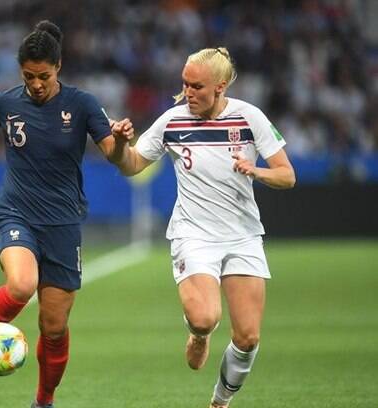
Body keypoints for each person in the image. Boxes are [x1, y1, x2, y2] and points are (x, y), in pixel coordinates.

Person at [0, 20, 132, 408]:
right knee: (22, 285)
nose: (36, 84)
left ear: (58, 68)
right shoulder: (4, 102)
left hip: (63, 223)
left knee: (53, 327)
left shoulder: (82, 104)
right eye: (28, 76)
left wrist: (121, 141)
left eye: (43, 76)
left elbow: (112, 152)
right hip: (17, 213)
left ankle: (44, 400)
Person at [109, 47, 296, 407]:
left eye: (197, 86)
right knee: (205, 317)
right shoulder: (173, 121)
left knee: (248, 337)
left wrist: (256, 170)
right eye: (185, 84)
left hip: (242, 235)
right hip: (193, 234)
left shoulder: (249, 118)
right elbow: (131, 165)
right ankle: (199, 333)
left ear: (220, 86)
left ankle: (220, 401)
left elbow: (287, 175)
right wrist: (119, 145)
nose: (188, 93)